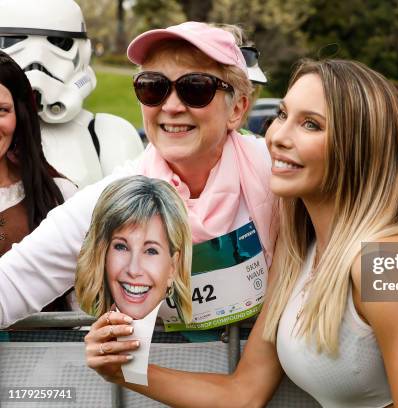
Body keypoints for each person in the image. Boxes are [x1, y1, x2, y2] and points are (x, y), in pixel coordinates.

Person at [83, 59, 398, 408]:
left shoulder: (383, 259)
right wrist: (125, 370)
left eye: (310, 124)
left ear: (358, 148)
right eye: (283, 115)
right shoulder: (300, 248)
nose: (279, 136)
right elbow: (243, 394)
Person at [0, 22, 275, 328]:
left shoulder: (280, 178)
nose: (170, 106)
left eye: (196, 88)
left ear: (237, 108)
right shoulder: (116, 200)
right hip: (156, 372)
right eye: (153, 87)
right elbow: (13, 282)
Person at [0, 0, 144, 189]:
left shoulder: (109, 135)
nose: (37, 60)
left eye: (58, 42)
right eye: (12, 41)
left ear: (84, 51)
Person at [0, 50, 76, 310]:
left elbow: (84, 304)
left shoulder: (60, 197)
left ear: (19, 118)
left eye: (1, 110)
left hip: (43, 348)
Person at [75, 176, 192, 322]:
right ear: (102, 254)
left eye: (151, 251)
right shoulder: (77, 336)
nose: (133, 270)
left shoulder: (210, 343)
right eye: (121, 247)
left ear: (173, 266)